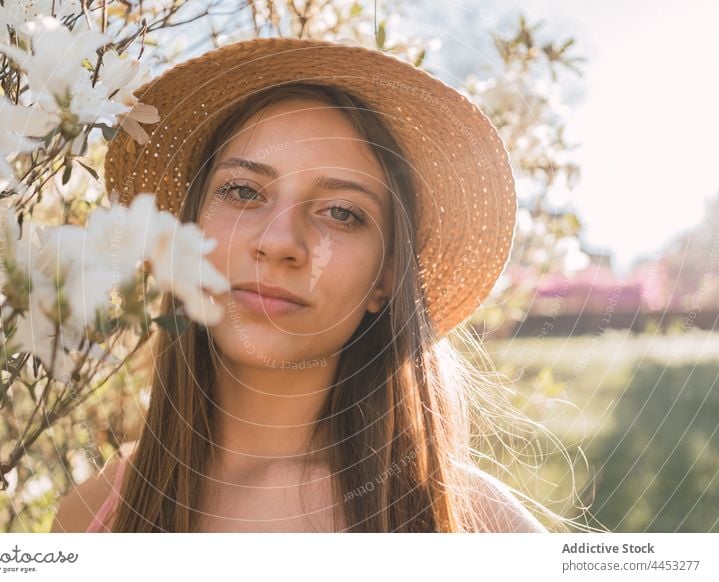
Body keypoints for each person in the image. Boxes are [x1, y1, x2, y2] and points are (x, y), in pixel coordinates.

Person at [51, 37, 550, 533]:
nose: (279, 241)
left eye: (341, 213)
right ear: (186, 233)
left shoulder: (476, 527)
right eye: (243, 191)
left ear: (386, 277)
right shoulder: (93, 517)